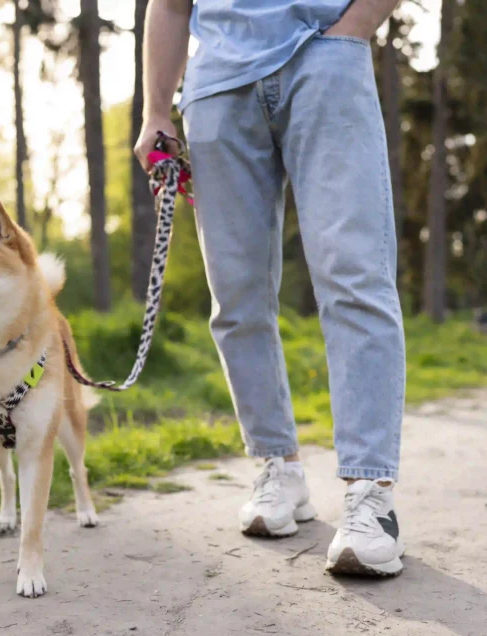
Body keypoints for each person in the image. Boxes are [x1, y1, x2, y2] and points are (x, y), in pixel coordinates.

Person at [135, 0, 406, 577]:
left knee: (354, 275)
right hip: (215, 87)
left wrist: (350, 30)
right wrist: (156, 107)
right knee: (235, 297)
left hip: (324, 58)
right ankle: (277, 466)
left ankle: (370, 492)